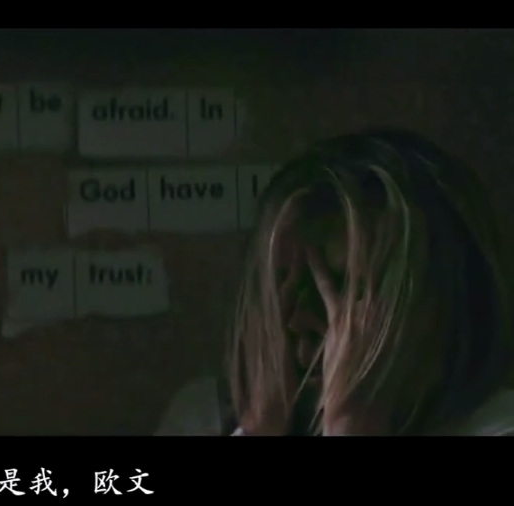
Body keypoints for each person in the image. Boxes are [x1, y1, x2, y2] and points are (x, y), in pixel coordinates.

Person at [159, 128, 514, 436]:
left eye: (339, 287)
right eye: (282, 285)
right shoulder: (205, 416)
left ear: (435, 311)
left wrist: (351, 424)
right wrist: (257, 428)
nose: (297, 319)